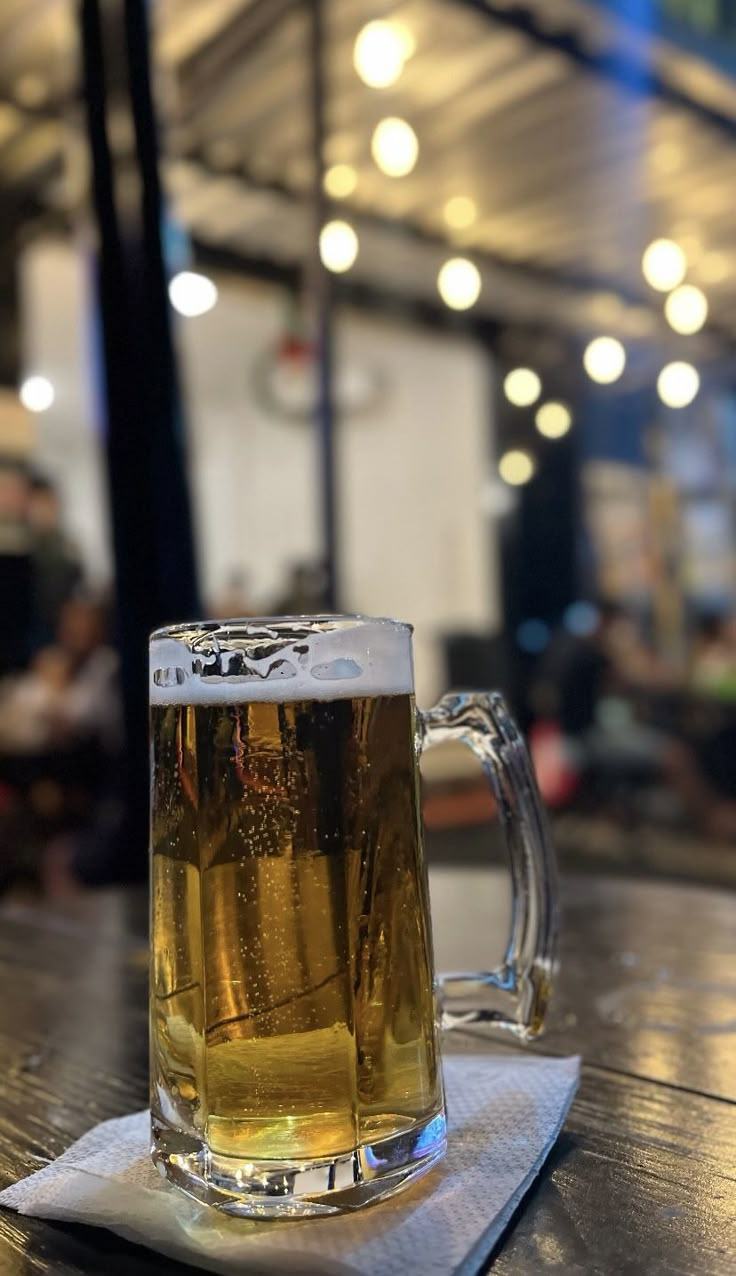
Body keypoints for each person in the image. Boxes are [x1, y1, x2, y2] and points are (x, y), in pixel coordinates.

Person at [28, 474, 83, 648]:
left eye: (48, 503)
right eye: (38, 504)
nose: (44, 511)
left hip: (60, 632)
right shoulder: (23, 547)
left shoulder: (67, 546)